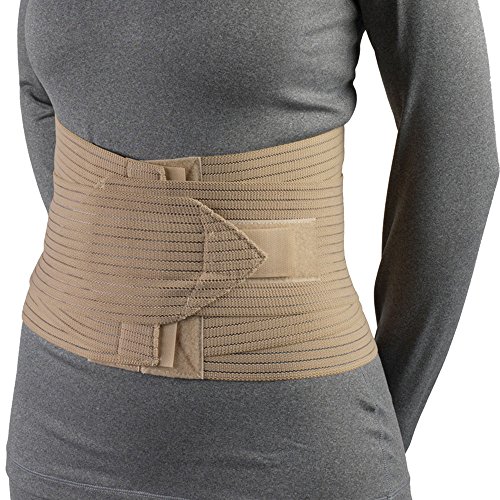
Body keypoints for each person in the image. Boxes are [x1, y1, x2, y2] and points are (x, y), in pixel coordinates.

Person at [6, 0, 498, 499]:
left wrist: (387, 415)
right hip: (57, 438)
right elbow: (39, 93)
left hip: (295, 445)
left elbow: (458, 147)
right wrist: (141, 264)